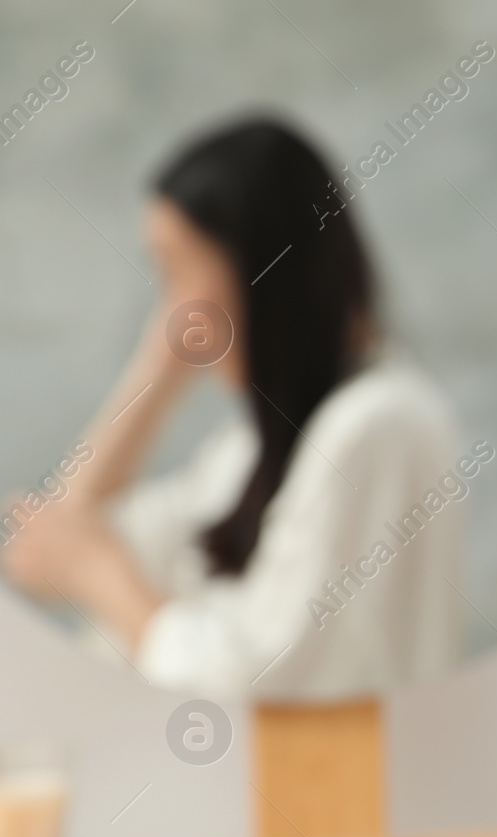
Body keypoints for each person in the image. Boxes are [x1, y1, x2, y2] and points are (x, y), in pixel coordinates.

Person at [1, 117, 464, 703]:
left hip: (355, 786)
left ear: (259, 265)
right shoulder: (248, 449)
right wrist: (155, 374)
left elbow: (261, 687)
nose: (171, 308)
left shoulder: (381, 425)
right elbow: (50, 547)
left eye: (179, 269)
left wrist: (97, 572)